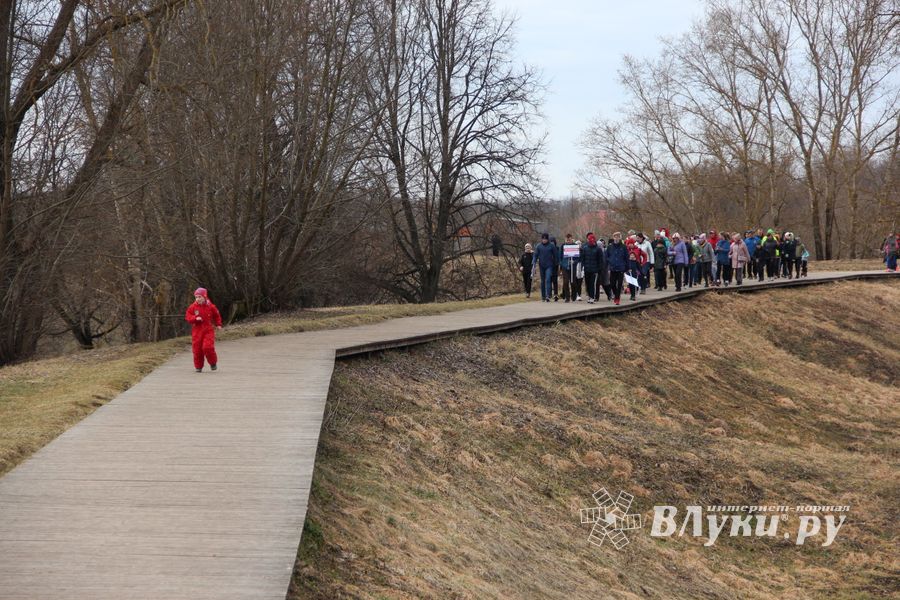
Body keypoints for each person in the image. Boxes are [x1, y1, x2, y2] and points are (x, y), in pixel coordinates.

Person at [185, 287, 223, 373]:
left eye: (199, 297)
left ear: (204, 297)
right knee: (197, 349)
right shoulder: (192, 307)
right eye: (196, 297)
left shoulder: (211, 306)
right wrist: (195, 318)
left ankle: (213, 363)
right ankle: (198, 367)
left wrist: (218, 324)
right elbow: (188, 317)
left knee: (208, 347)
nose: (198, 299)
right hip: (197, 331)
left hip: (208, 330)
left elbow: (217, 315)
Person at [580, 232, 606, 304]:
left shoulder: (598, 249)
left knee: (593, 284)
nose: (591, 241)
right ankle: (589, 296)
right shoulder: (585, 248)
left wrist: (600, 269)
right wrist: (582, 267)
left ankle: (592, 297)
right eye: (589, 239)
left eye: (592, 239)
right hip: (587, 269)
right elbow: (583, 259)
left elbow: (601, 260)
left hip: (595, 270)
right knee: (587, 284)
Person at [532, 233, 558, 302]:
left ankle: (548, 295)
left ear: (547, 239)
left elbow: (556, 255)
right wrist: (534, 261)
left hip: (549, 265)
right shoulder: (539, 246)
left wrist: (556, 263)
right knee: (543, 281)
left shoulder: (551, 246)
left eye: (545, 239)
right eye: (543, 239)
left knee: (548, 279)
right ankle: (543, 296)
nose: (544, 240)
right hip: (542, 266)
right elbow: (535, 255)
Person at [606, 231, 629, 305]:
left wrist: (626, 267)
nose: (616, 238)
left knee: (619, 284)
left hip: (621, 268)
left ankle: (617, 298)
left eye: (618, 236)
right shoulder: (610, 247)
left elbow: (627, 257)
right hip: (612, 268)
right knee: (612, 284)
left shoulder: (623, 247)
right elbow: (606, 256)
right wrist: (609, 262)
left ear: (620, 237)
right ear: (613, 238)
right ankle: (616, 295)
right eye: (615, 236)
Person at [559, 233, 580, 302]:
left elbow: (578, 257)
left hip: (572, 266)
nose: (568, 241)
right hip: (565, 266)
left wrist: (574, 262)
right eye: (567, 239)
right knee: (565, 282)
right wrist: (562, 263)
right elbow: (560, 256)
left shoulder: (575, 246)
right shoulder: (563, 246)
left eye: (569, 239)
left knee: (573, 281)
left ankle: (573, 296)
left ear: (571, 239)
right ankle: (567, 297)